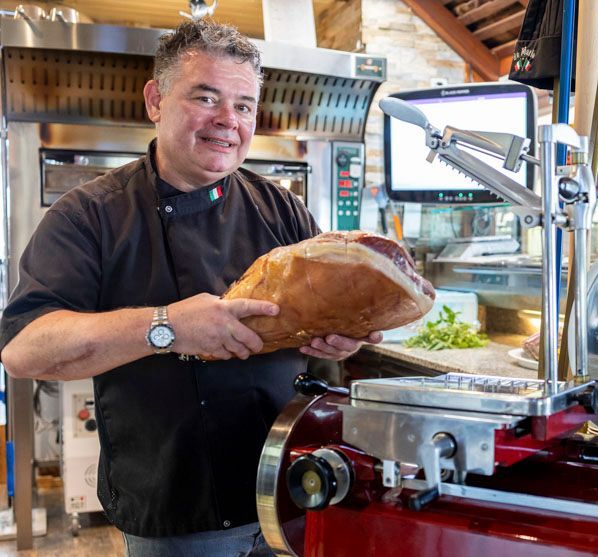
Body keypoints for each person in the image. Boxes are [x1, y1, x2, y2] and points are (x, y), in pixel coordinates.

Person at [0, 18, 381, 556]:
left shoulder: (282, 209)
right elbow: (24, 348)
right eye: (206, 97)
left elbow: (330, 313)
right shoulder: (90, 215)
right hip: (176, 512)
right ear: (155, 100)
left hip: (291, 485)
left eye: (244, 105)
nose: (228, 121)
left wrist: (343, 338)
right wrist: (168, 326)